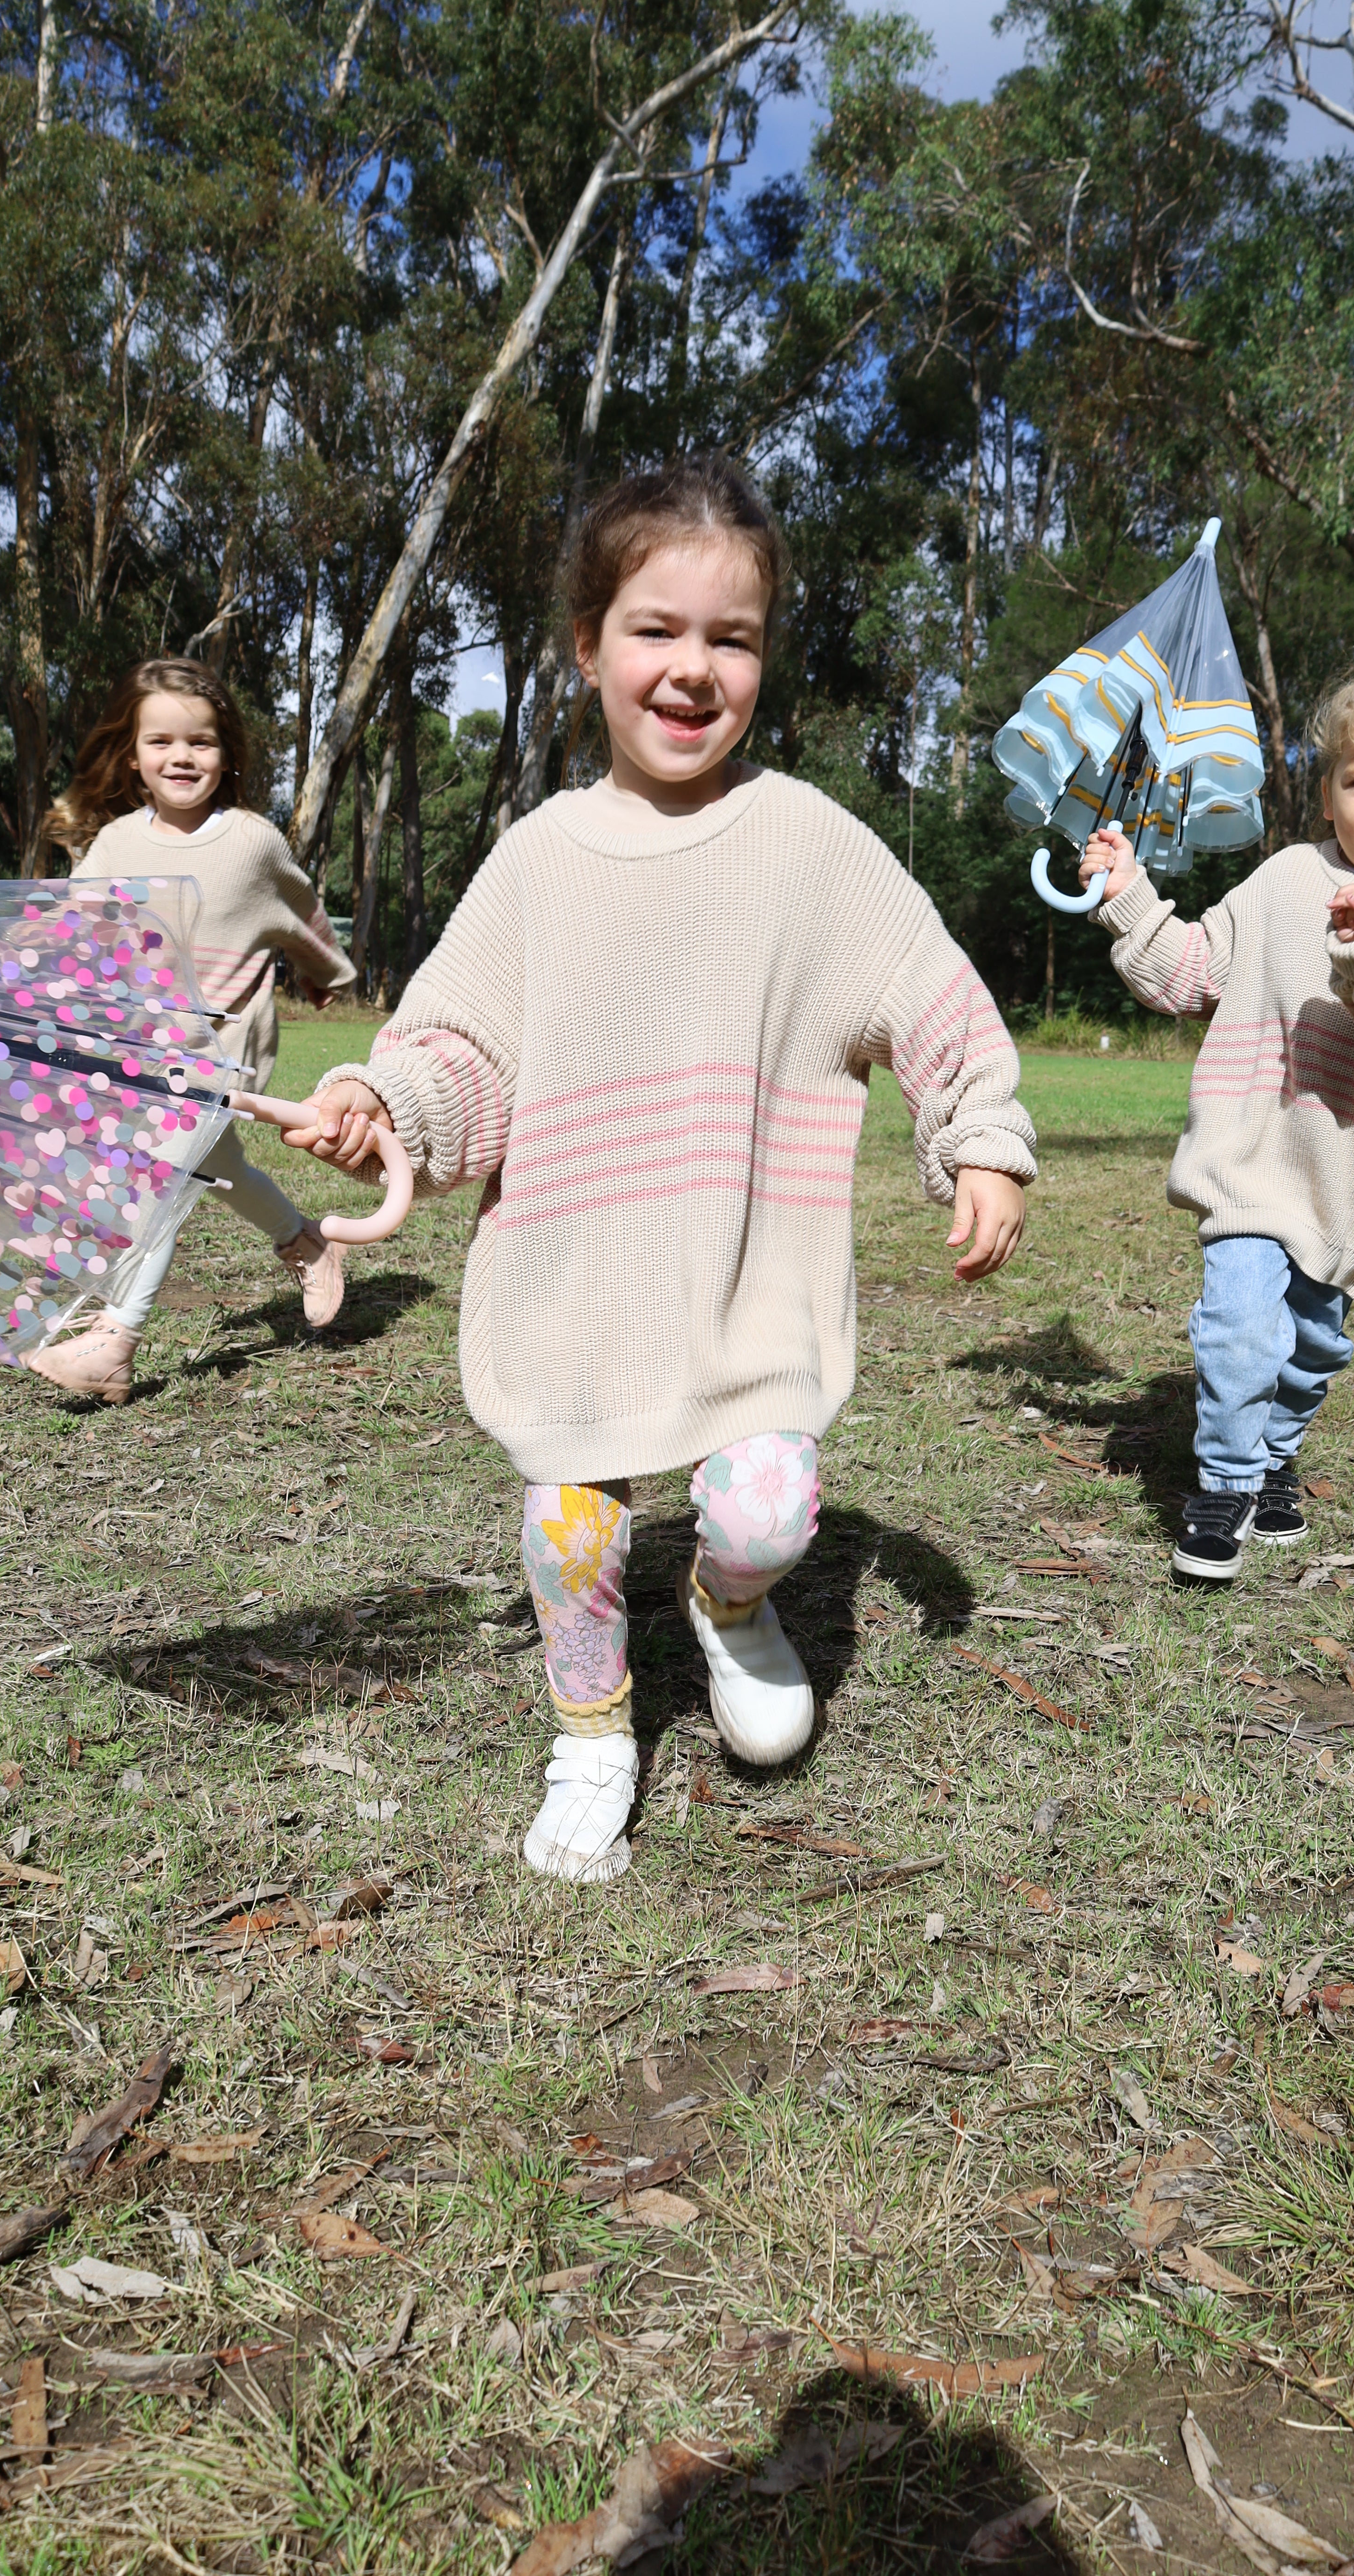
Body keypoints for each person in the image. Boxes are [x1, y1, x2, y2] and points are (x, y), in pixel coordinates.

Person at [288, 455, 1038, 1881]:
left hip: (750, 1275)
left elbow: (929, 995)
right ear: (587, 647)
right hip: (582, 1274)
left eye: (732, 638)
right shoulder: (537, 858)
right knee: (573, 1523)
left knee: (763, 1501)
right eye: (657, 630)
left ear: (763, 658)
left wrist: (982, 1140)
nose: (693, 670)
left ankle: (724, 1599)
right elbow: (461, 1049)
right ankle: (590, 1725)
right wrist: (381, 1102)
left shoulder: (810, 844)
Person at [1084, 620, 1354, 1581]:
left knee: (1311, 1347)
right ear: (1327, 790)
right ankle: (1225, 1487)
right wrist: (1128, 896)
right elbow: (1192, 972)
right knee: (1237, 1326)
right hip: (1248, 1161)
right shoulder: (1287, 878)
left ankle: (1273, 1454)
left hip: (1346, 1181)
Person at [25, 658, 357, 1404]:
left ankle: (116, 1339)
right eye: (162, 742)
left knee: (167, 1174)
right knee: (219, 1164)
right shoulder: (113, 846)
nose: (182, 757)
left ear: (228, 753)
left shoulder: (250, 841)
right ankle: (304, 1240)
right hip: (145, 1052)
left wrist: (328, 972)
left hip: (224, 1055)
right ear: (134, 754)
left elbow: (300, 911)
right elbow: (71, 933)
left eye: (201, 743)